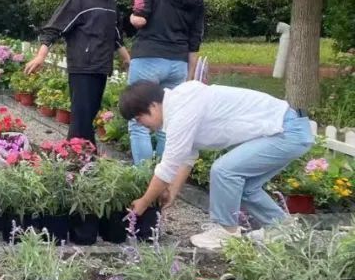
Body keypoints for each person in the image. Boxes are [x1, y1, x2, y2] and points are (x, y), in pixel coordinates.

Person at [119, 80, 312, 250]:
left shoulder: (182, 108)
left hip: (286, 131)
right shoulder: (179, 106)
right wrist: (172, 193)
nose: (141, 125)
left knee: (224, 171)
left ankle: (227, 231)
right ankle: (282, 229)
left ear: (153, 106)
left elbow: (168, 166)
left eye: (139, 119)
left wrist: (144, 202)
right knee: (245, 187)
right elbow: (186, 157)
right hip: (288, 129)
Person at [24, 0, 131, 143]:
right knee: (81, 119)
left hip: (101, 66)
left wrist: (127, 59)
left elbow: (115, 34)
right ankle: (77, 158)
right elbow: (55, 27)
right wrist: (41, 55)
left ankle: (82, 158)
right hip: (83, 65)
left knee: (89, 116)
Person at [127, 0, 206, 164]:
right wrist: (190, 76)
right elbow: (195, 40)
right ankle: (161, 178)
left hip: (148, 58)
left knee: (138, 121)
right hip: (178, 63)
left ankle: (142, 178)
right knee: (167, 122)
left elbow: (140, 19)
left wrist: (131, 17)